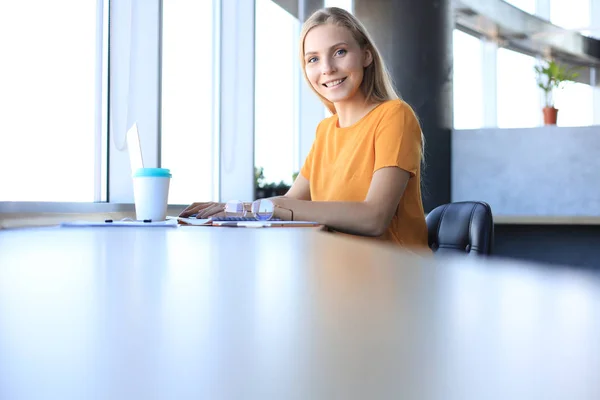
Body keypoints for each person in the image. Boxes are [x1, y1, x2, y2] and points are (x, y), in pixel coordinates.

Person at [180, 7, 429, 250]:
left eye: (340, 52)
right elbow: (291, 201)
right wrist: (236, 208)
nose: (327, 68)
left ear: (366, 55)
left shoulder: (394, 115)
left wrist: (268, 207)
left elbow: (374, 217)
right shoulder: (326, 130)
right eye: (313, 59)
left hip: (393, 278)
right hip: (336, 275)